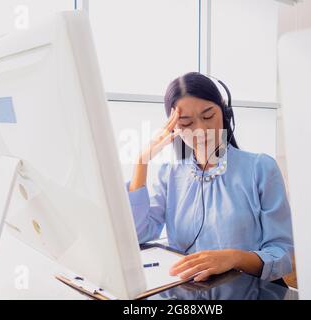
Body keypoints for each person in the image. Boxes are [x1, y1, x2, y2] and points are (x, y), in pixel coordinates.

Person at [126, 72, 293, 283]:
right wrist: (141, 161)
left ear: (225, 113)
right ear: (173, 127)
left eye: (208, 116)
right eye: (186, 122)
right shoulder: (170, 174)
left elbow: (282, 255)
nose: (201, 130)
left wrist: (235, 258)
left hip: (248, 292)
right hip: (189, 293)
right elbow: (138, 235)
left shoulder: (260, 168)